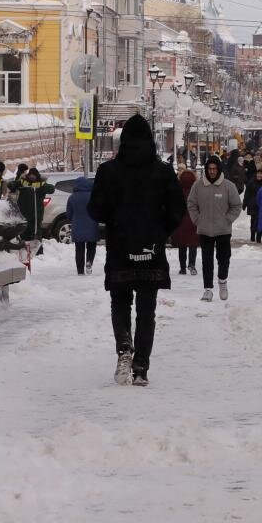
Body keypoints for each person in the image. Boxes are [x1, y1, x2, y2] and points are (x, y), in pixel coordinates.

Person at [88, 114, 186, 387]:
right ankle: (141, 367)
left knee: (120, 302)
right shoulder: (163, 172)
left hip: (120, 248)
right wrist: (159, 230)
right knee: (146, 309)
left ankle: (124, 347)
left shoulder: (108, 171)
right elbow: (178, 210)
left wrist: (115, 221)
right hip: (150, 250)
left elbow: (95, 209)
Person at [187, 155, 243, 302]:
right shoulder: (198, 186)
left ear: (219, 170)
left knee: (223, 259)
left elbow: (237, 206)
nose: (212, 172)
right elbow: (191, 204)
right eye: (210, 169)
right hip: (204, 230)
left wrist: (228, 219)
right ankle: (208, 289)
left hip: (223, 230)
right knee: (207, 260)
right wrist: (197, 219)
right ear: (206, 170)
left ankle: (222, 282)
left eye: (214, 169)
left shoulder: (228, 186)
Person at [17, 168, 54, 256]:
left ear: (37, 176)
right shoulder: (23, 182)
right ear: (28, 175)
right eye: (30, 175)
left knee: (36, 233)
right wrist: (17, 184)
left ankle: (38, 252)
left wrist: (41, 186)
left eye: (34, 176)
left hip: (37, 214)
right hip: (24, 214)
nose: (32, 177)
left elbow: (51, 189)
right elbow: (12, 185)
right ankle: (24, 250)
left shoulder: (41, 183)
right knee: (24, 233)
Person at [66, 176, 98, 275]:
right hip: (92, 225)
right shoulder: (93, 196)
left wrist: (74, 220)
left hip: (77, 226)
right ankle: (89, 261)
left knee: (79, 249)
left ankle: (80, 271)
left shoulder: (72, 197)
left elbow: (69, 214)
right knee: (91, 246)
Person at [170, 168, 199, 276]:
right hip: (193, 220)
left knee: (182, 245)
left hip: (181, 221)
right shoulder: (196, 191)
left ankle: (182, 267)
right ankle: (192, 264)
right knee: (193, 244)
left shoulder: (177, 191)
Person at [245, 168, 262, 243]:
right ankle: (252, 235)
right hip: (252, 204)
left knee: (260, 221)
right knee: (253, 221)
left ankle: (259, 237)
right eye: (258, 174)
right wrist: (245, 203)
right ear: (256, 174)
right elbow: (247, 193)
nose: (259, 175)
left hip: (261, 205)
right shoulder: (251, 182)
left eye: (261, 174)